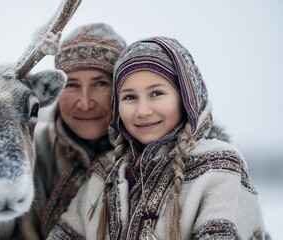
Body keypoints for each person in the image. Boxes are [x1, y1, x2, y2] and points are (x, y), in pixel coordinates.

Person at [48, 36, 269, 239]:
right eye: (130, 97)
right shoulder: (103, 173)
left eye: (156, 93)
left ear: (186, 97)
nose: (142, 111)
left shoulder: (219, 167)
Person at [27, 23, 127, 238]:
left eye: (100, 83)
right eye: (71, 85)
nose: (85, 103)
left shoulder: (149, 155)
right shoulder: (34, 152)